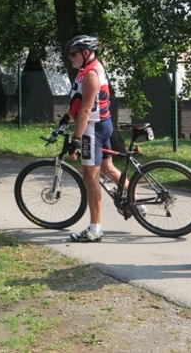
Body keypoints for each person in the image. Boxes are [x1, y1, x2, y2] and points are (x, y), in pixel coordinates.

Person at [59, 35, 118, 243]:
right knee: (108, 168)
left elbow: (85, 110)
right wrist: (67, 116)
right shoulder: (88, 69)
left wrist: (76, 139)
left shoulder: (91, 75)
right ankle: (138, 203)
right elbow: (77, 100)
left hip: (93, 129)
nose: (70, 58)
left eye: (73, 54)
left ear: (86, 53)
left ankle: (95, 230)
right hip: (103, 124)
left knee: (90, 177)